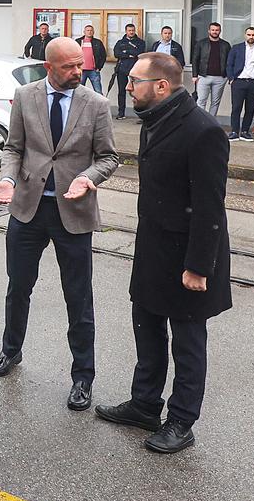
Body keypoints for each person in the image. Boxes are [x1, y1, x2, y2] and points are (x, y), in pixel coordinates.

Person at [95, 52, 230, 454]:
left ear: (161, 86)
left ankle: (182, 421)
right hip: (153, 249)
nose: (127, 86)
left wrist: (197, 267)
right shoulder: (153, 120)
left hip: (188, 257)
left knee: (187, 342)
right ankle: (144, 404)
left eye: (134, 80)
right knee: (147, 328)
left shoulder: (203, 131)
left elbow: (209, 206)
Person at [0, 36, 120, 412]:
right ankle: (10, 352)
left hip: (73, 213)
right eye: (69, 66)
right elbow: (14, 148)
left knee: (78, 300)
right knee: (18, 288)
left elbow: (109, 157)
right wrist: (9, 180)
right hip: (28, 210)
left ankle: (83, 377)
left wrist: (89, 178)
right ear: (49, 67)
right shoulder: (26, 96)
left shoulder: (96, 104)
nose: (78, 71)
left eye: (80, 64)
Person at [224, 26, 254, 141]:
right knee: (236, 107)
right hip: (239, 82)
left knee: (250, 109)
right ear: (245, 35)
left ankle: (245, 131)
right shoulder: (236, 48)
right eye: (249, 35)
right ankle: (234, 131)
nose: (251, 37)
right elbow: (229, 64)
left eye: (253, 35)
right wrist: (231, 78)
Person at [191, 23, 229, 119]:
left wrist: (228, 76)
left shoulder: (225, 45)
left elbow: (229, 61)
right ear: (209, 31)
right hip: (203, 76)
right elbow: (195, 59)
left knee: (215, 102)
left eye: (217, 30)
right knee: (201, 101)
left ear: (220, 31)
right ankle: (201, 122)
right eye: (213, 30)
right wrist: (195, 75)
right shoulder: (201, 43)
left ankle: (211, 122)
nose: (215, 32)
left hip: (220, 78)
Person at [112, 23, 146, 120]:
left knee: (138, 92)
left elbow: (139, 53)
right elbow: (116, 54)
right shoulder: (120, 42)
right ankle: (121, 113)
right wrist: (128, 54)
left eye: (132, 30)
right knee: (121, 92)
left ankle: (140, 114)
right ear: (126, 31)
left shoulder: (140, 42)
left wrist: (126, 51)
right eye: (129, 30)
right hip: (122, 69)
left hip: (136, 70)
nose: (131, 32)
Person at [79, 25, 108, 94]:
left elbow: (103, 55)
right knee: (78, 91)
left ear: (93, 32)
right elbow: (73, 54)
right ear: (84, 32)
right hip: (81, 70)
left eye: (91, 30)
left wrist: (99, 67)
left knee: (98, 91)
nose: (89, 32)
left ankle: (100, 105)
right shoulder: (78, 41)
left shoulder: (98, 42)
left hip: (94, 70)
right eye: (88, 30)